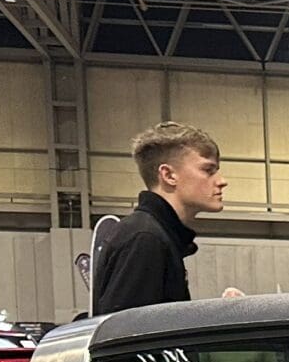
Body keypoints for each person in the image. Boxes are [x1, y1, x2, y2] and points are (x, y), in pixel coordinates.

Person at [91, 122, 225, 314]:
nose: (221, 181)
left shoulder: (154, 235)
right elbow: (128, 337)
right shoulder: (145, 239)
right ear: (168, 175)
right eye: (208, 170)